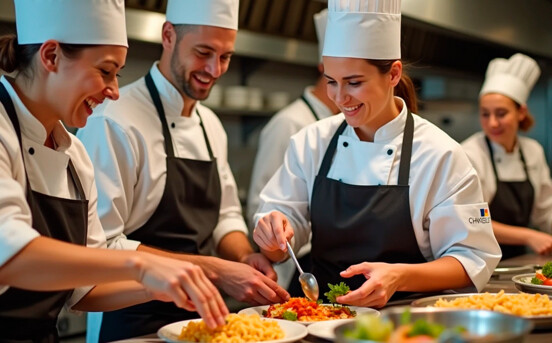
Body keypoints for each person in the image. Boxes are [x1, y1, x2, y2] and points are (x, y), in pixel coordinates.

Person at [0, 0, 228, 341]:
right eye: (106, 70)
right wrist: (141, 266)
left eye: (117, 74)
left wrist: (160, 286)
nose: (113, 91)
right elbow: (4, 255)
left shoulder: (75, 155)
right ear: (51, 56)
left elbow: (87, 289)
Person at [252, 0, 501, 308]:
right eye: (331, 82)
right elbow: (282, 239)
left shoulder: (440, 154)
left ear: (393, 73)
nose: (340, 98)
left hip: (408, 323)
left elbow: (472, 259)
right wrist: (275, 237)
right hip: (323, 316)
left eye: (354, 83)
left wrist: (400, 276)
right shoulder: (310, 142)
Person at [77, 0, 288, 341]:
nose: (215, 69)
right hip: (130, 322)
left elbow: (225, 217)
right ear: (168, 35)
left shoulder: (211, 125)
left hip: (202, 321)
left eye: (225, 56)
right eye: (203, 52)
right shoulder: (114, 120)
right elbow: (102, 247)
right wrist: (218, 271)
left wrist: (245, 257)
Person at [247, 8, 339, 296]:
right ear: (325, 67)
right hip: (295, 270)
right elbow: (261, 205)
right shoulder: (290, 123)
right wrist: (280, 233)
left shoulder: (350, 128)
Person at [461, 53, 552, 260]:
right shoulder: (470, 153)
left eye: (501, 113)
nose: (492, 123)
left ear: (521, 112)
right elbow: (473, 220)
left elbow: (545, 211)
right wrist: (528, 236)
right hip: (477, 260)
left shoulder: (532, 151)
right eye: (485, 114)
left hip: (518, 260)